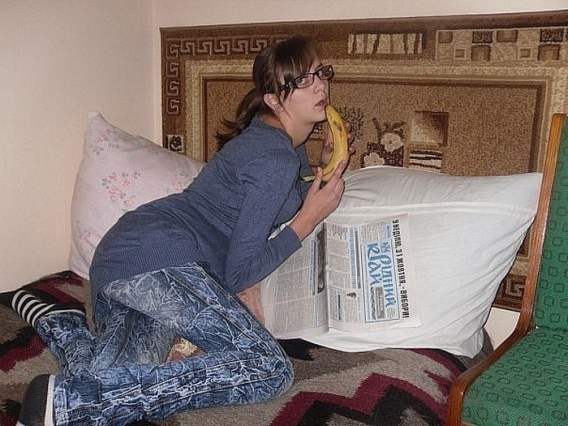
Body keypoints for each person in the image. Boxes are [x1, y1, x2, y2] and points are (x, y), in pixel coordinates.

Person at [7, 34, 351, 425]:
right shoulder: (275, 156)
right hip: (166, 257)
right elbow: (238, 273)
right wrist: (307, 221)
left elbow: (281, 196)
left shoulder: (279, 142)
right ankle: (68, 404)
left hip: (123, 258)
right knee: (267, 366)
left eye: (320, 73)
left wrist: (322, 167)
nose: (321, 86)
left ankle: (63, 326)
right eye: (303, 80)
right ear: (273, 100)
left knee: (111, 377)